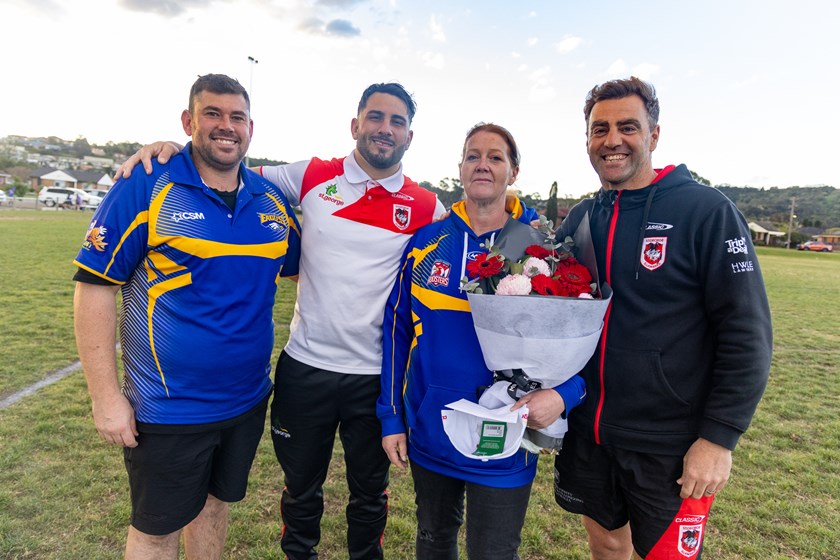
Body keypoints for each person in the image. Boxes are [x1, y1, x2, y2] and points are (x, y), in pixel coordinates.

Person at [73, 73, 301, 560]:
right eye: (212, 114)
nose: (226, 126)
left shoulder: (271, 202)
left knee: (215, 508)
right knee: (156, 531)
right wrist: (105, 398)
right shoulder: (149, 184)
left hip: (246, 400)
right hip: (169, 406)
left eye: (236, 116)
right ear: (188, 121)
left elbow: (303, 273)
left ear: (250, 128)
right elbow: (94, 287)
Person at [552, 76, 773, 559]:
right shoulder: (583, 218)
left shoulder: (705, 210)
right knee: (607, 545)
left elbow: (747, 333)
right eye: (599, 129)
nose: (612, 139)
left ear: (653, 136)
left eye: (627, 126)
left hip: (670, 443)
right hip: (591, 430)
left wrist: (719, 438)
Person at [378, 123, 586, 559]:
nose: (483, 165)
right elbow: (397, 330)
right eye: (473, 155)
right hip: (433, 430)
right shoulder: (426, 243)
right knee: (433, 540)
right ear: (460, 168)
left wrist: (565, 395)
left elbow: (583, 340)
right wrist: (392, 416)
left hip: (507, 433)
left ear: (514, 171)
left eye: (495, 157)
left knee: (493, 552)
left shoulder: (541, 249)